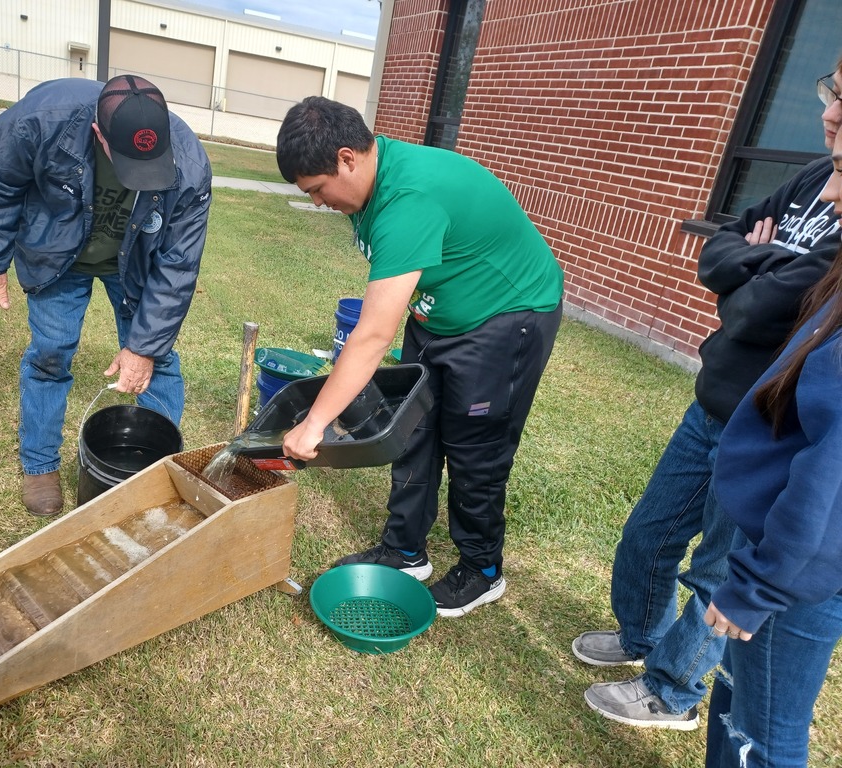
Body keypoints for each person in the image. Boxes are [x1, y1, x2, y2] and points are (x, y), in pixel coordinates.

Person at [573, 62, 842, 729]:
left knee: (715, 571)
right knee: (649, 534)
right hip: (715, 399)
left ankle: (673, 689)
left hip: (770, 426)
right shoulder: (815, 177)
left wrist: (754, 264)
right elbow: (717, 254)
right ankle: (643, 640)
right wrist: (761, 261)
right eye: (832, 91)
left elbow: (750, 310)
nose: (830, 113)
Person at [275, 97, 564, 617]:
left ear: (347, 158)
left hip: (507, 313)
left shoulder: (409, 198)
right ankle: (405, 551)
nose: (317, 202)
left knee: (475, 447)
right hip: (438, 312)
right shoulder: (367, 189)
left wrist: (315, 423)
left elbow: (370, 336)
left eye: (317, 190)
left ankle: (483, 570)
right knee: (413, 431)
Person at [0, 74, 212, 517]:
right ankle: (40, 466)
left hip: (133, 260)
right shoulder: (42, 120)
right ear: (98, 133)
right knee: (50, 353)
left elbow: (177, 264)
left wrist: (143, 346)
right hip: (56, 251)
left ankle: (159, 470)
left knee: (158, 359)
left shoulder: (189, 163)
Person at [702, 136, 842, 765]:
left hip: (794, 567)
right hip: (777, 546)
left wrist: (760, 585)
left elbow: (832, 476)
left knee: (768, 731)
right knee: (734, 699)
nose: (830, 116)